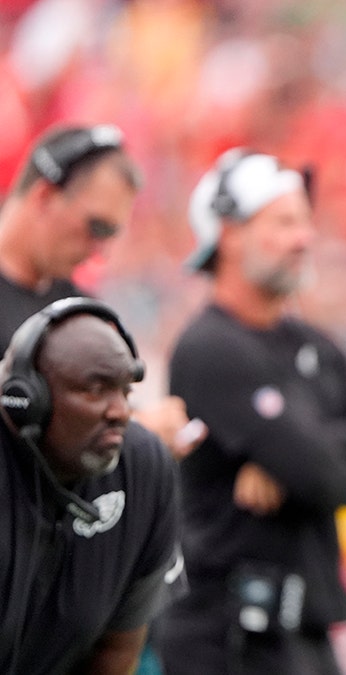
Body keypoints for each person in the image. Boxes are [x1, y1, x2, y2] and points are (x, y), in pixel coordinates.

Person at [156, 148, 346, 675]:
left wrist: (298, 450)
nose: (304, 238)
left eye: (304, 221)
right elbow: (323, 476)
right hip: (229, 637)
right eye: (282, 222)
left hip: (306, 627)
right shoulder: (210, 347)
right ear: (229, 234)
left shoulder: (314, 344)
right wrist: (322, 459)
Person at [0, 297, 185, 675]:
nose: (120, 411)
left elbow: (118, 651)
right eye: (95, 389)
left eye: (126, 391)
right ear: (28, 398)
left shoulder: (142, 467)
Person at [0, 123, 204, 460]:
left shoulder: (77, 310)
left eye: (111, 234)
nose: (100, 250)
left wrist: (143, 428)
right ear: (45, 196)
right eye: (96, 227)